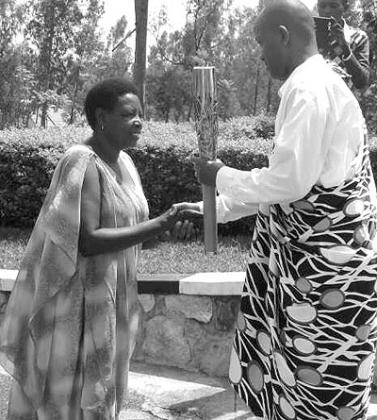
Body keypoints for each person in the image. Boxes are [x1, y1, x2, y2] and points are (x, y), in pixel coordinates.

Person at [180, 1, 377, 418]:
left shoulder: (310, 90)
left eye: (260, 42)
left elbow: (288, 183)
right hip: (318, 276)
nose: (259, 53)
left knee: (322, 392)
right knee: (305, 387)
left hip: (324, 284)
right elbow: (291, 191)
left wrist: (220, 175)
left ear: (283, 35)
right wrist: (210, 209)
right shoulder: (317, 85)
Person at [0, 77, 192, 420]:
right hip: (79, 302)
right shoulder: (82, 162)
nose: (139, 122)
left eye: (140, 114)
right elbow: (86, 240)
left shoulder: (127, 166)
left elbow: (134, 233)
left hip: (113, 300)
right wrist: (161, 222)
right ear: (101, 118)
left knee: (102, 393)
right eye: (128, 114)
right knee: (74, 396)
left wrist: (166, 233)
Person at [317, 0, 370, 89]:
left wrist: (345, 49)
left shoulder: (358, 37)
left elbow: (362, 82)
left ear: (345, 8)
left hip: (344, 100)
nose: (327, 11)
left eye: (333, 6)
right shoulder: (307, 36)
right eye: (322, 6)